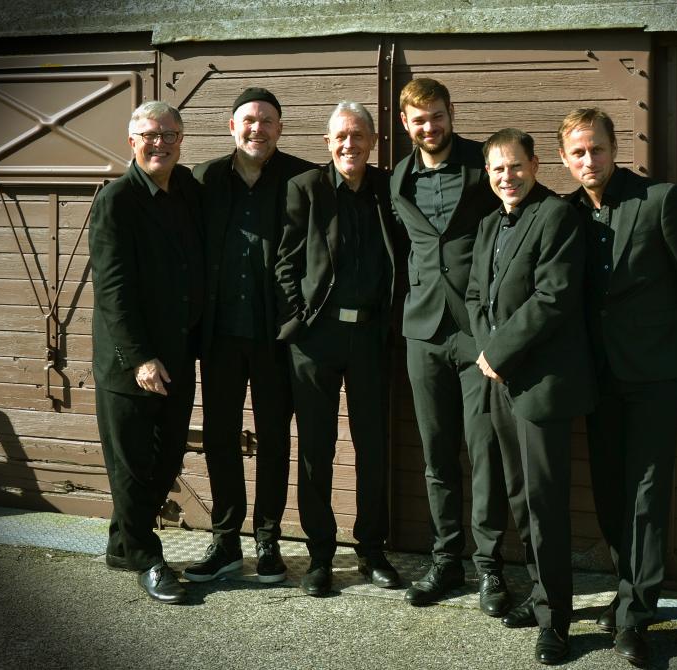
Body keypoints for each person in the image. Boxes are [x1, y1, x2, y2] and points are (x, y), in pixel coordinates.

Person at [559, 107, 677, 666]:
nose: (589, 160)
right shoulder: (565, 213)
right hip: (595, 378)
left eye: (597, 149)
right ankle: (626, 590)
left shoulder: (659, 200)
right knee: (609, 491)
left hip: (654, 372)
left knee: (647, 494)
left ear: (614, 148)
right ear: (564, 159)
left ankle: (636, 615)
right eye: (578, 153)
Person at [466, 128, 594, 665]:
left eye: (516, 166)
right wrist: (488, 353)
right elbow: (476, 295)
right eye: (498, 169)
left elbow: (553, 296)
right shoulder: (488, 224)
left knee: (544, 504)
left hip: (541, 385)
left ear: (536, 165)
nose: (507, 177)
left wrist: (500, 352)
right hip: (500, 381)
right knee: (519, 498)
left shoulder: (557, 216)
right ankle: (540, 597)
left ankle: (557, 622)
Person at [182, 88, 314, 584]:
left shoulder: (304, 178)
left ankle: (268, 540)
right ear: (232, 127)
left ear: (280, 128)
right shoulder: (204, 178)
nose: (257, 129)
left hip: (277, 336)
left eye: (267, 121)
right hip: (220, 335)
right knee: (220, 437)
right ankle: (226, 540)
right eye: (248, 120)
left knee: (275, 438)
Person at [390, 78, 510, 615]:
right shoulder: (398, 179)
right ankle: (446, 560)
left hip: (477, 332)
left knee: (484, 452)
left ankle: (490, 567)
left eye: (436, 116)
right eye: (419, 120)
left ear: (451, 112)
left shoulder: (483, 166)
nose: (429, 127)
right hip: (422, 333)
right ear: (405, 124)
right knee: (437, 454)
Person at [275, 101, 400, 597]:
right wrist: (299, 321)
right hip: (317, 339)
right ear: (327, 142)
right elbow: (284, 263)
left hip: (370, 336)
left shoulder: (386, 188)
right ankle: (321, 555)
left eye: (358, 135)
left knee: (373, 445)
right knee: (316, 449)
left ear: (373, 142)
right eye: (341, 136)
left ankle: (371, 550)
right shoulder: (305, 188)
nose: (350, 144)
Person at [89, 101, 203, 604]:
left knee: (166, 457)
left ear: (181, 140)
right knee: (132, 466)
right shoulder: (116, 200)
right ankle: (146, 558)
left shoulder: (187, 189)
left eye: (169, 135)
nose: (160, 144)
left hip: (178, 354)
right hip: (130, 362)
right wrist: (139, 358)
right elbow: (112, 289)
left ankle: (121, 545)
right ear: (132, 141)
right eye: (150, 135)